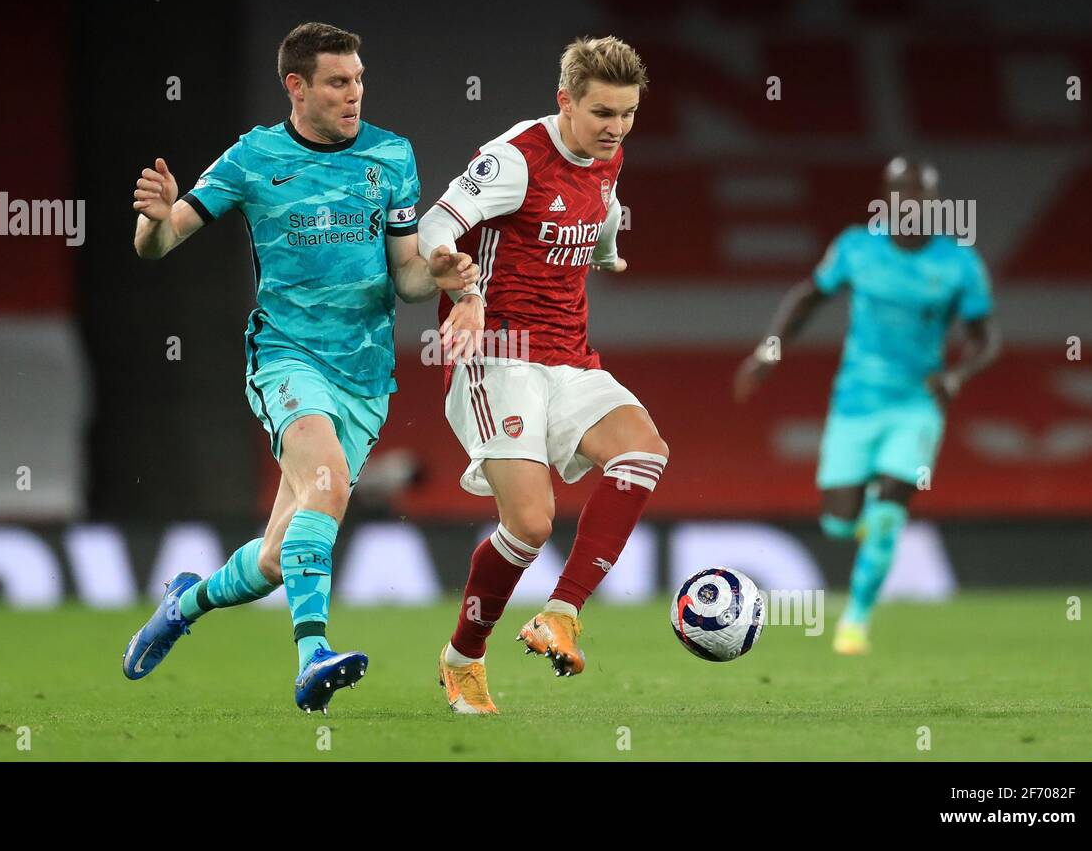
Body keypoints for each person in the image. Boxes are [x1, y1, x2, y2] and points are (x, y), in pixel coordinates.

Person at [121, 22, 478, 713]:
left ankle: (182, 602)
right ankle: (312, 655)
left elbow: (403, 278)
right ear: (297, 86)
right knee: (331, 482)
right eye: (339, 82)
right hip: (287, 356)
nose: (355, 95)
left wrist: (437, 274)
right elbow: (160, 244)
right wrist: (154, 222)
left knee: (276, 559)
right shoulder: (254, 158)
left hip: (365, 373)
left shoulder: (390, 155)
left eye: (360, 79)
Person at [418, 37, 668, 714]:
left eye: (627, 113)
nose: (616, 127)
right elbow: (437, 221)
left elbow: (605, 205)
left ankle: (561, 613)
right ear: (565, 101)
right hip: (498, 355)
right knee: (529, 522)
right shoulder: (514, 158)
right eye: (601, 113)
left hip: (570, 355)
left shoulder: (608, 150)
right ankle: (463, 658)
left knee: (643, 450)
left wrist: (609, 253)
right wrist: (458, 285)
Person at [734, 157, 1001, 654]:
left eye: (920, 194)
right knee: (839, 521)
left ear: (936, 202)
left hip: (917, 405)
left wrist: (957, 374)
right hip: (854, 403)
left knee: (888, 511)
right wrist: (767, 351)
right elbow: (808, 297)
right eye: (901, 193)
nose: (911, 203)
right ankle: (859, 529)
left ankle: (855, 621)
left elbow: (986, 336)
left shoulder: (958, 263)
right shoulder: (857, 248)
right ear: (888, 198)